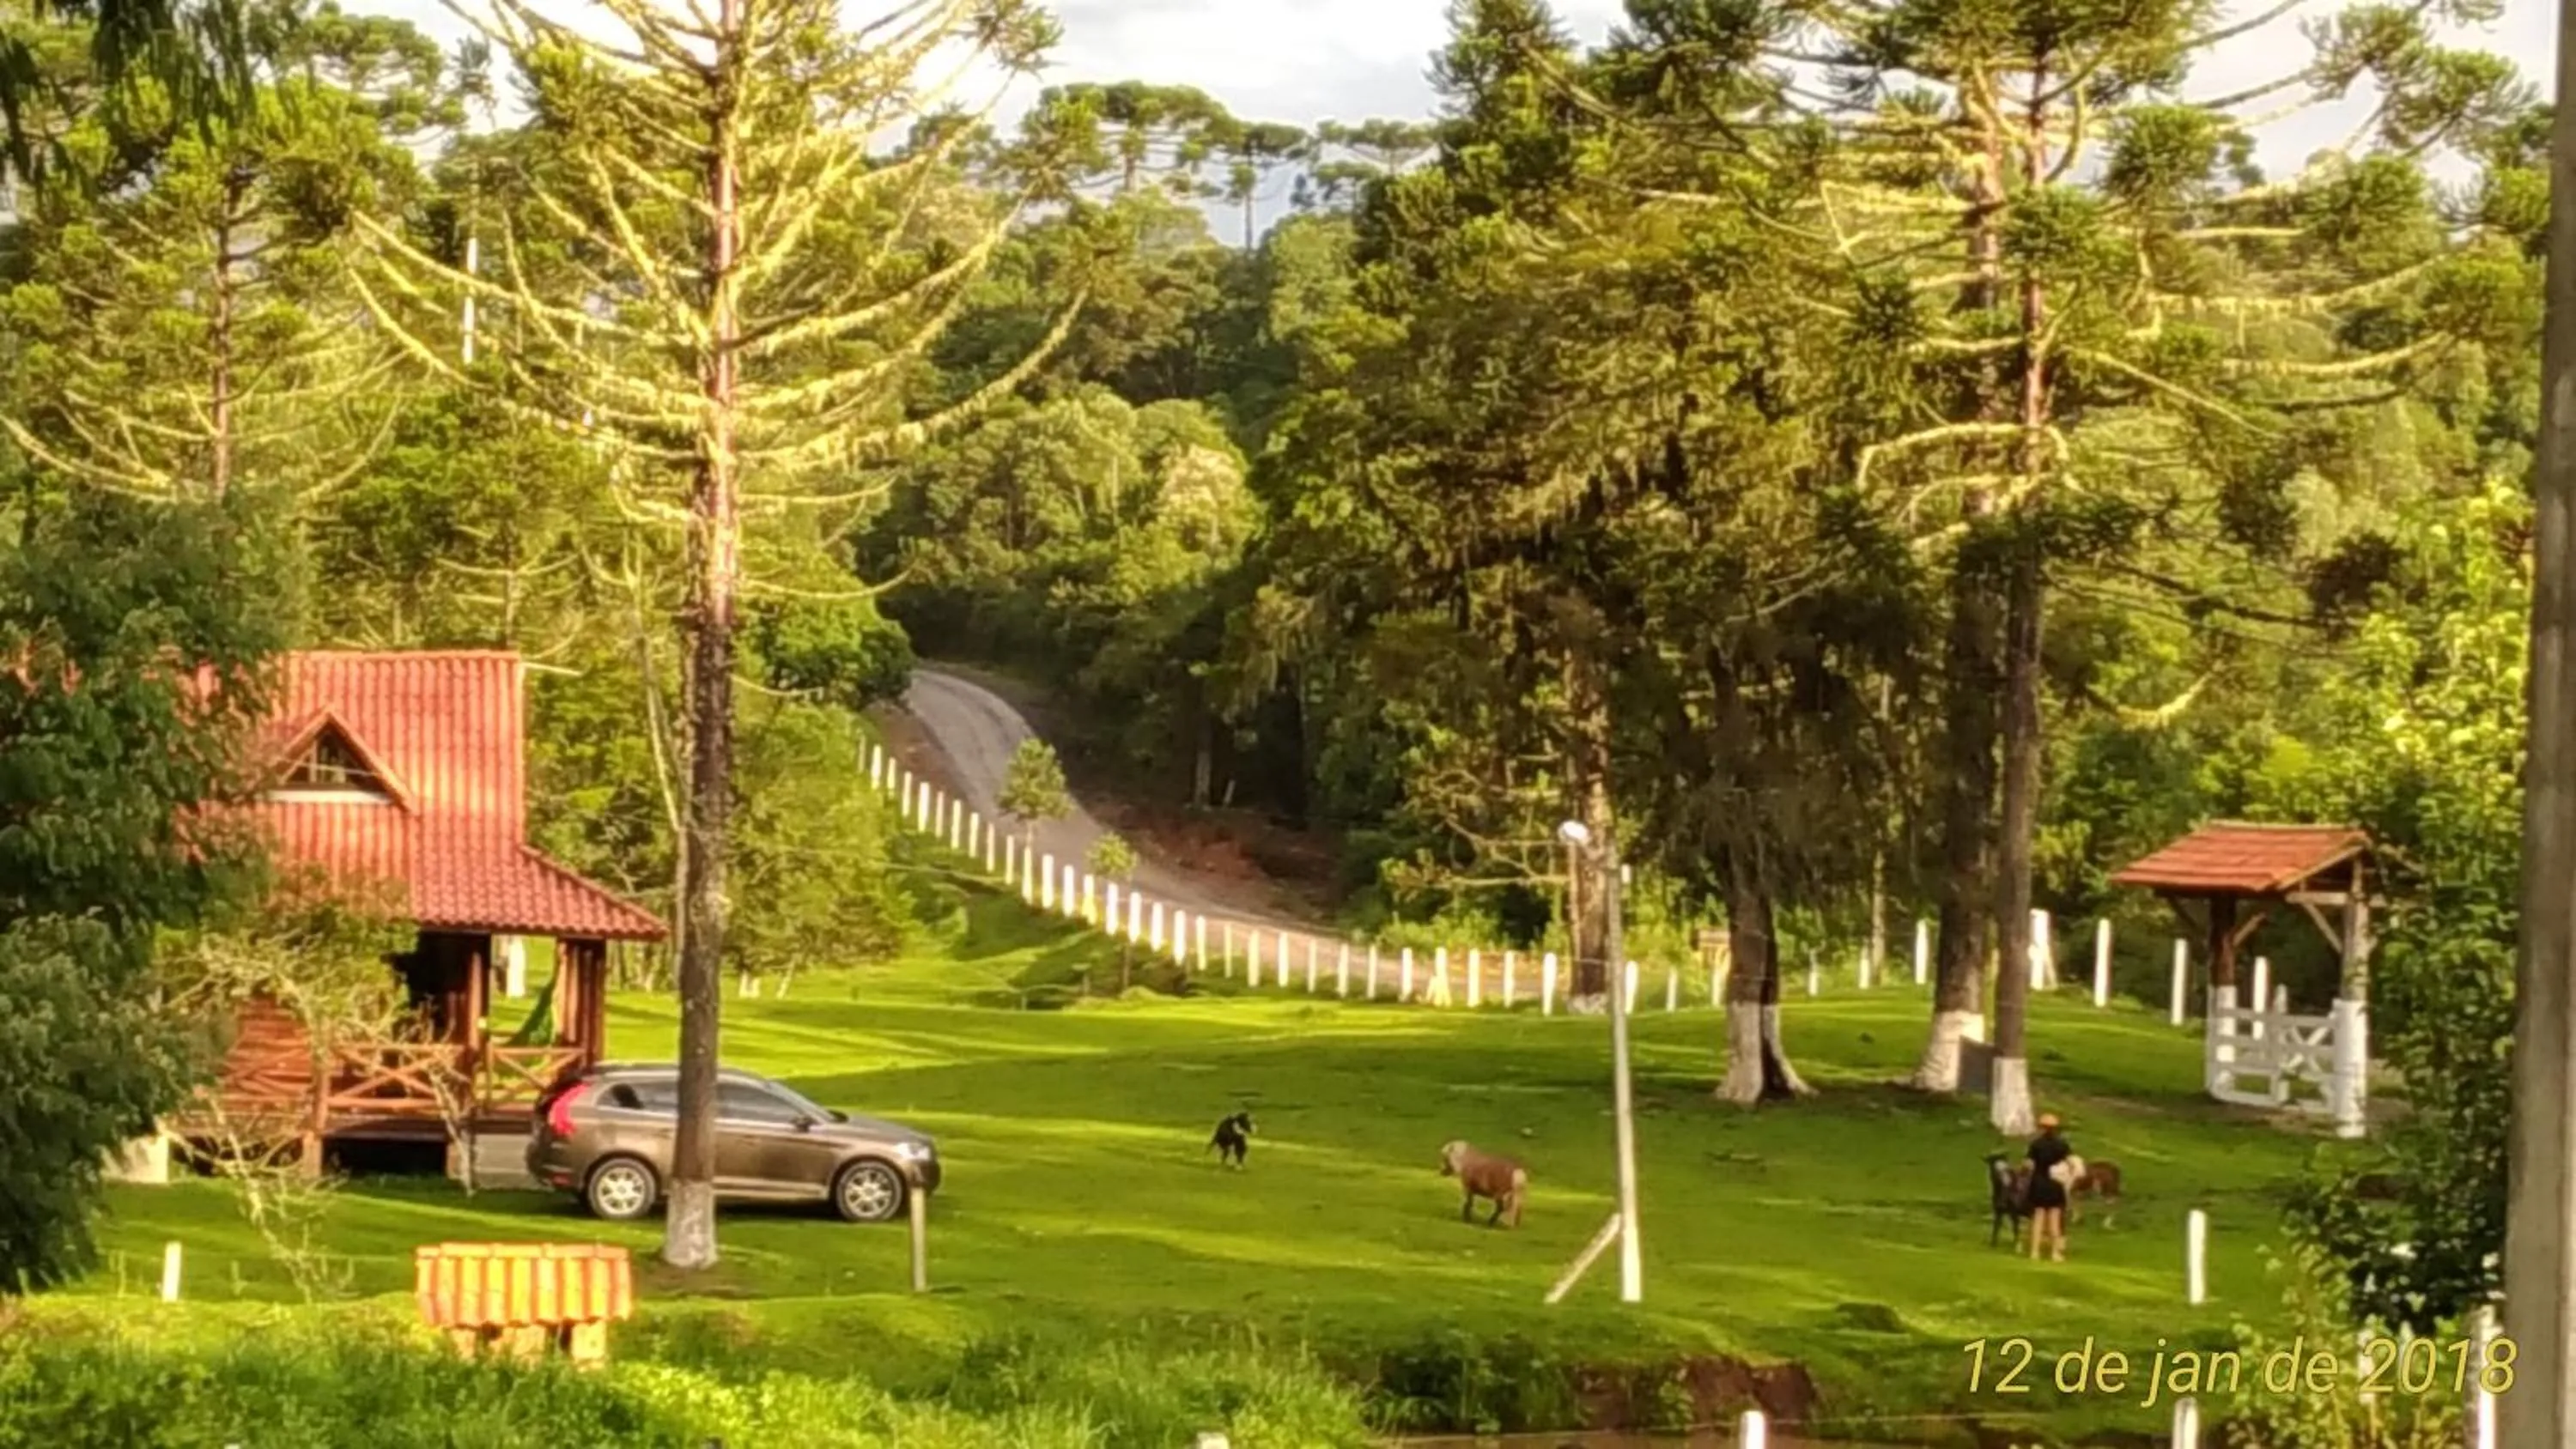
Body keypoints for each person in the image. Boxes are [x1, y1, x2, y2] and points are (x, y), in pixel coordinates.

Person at [2026, 1113, 2072, 1262]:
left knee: (2038, 1218)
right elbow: (2071, 1163)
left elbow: (2028, 1164)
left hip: (2039, 1182)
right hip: (2055, 1183)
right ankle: (2055, 1253)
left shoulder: (2036, 1144)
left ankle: (2034, 1252)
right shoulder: (2062, 1144)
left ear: (2042, 1127)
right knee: (2054, 1218)